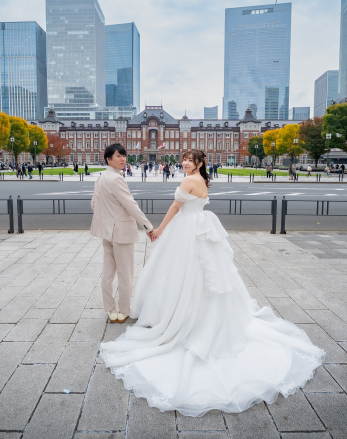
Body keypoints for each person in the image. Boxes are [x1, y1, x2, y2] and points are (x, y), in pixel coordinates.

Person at [100, 148, 325, 417]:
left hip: (186, 229)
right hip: (200, 226)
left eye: (189, 160)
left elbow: (175, 207)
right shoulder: (203, 180)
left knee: (182, 273)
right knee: (207, 275)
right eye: (183, 159)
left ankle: (177, 315)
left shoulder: (188, 181)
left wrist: (158, 230)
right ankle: (197, 312)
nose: (184, 163)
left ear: (200, 163)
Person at [90, 143, 154, 324]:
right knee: (125, 273)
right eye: (118, 156)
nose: (123, 159)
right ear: (108, 159)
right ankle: (124, 310)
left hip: (107, 232)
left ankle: (110, 309)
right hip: (121, 232)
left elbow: (94, 205)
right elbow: (130, 205)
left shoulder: (101, 177)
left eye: (124, 156)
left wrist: (107, 218)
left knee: (108, 273)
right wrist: (148, 226)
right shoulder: (116, 179)